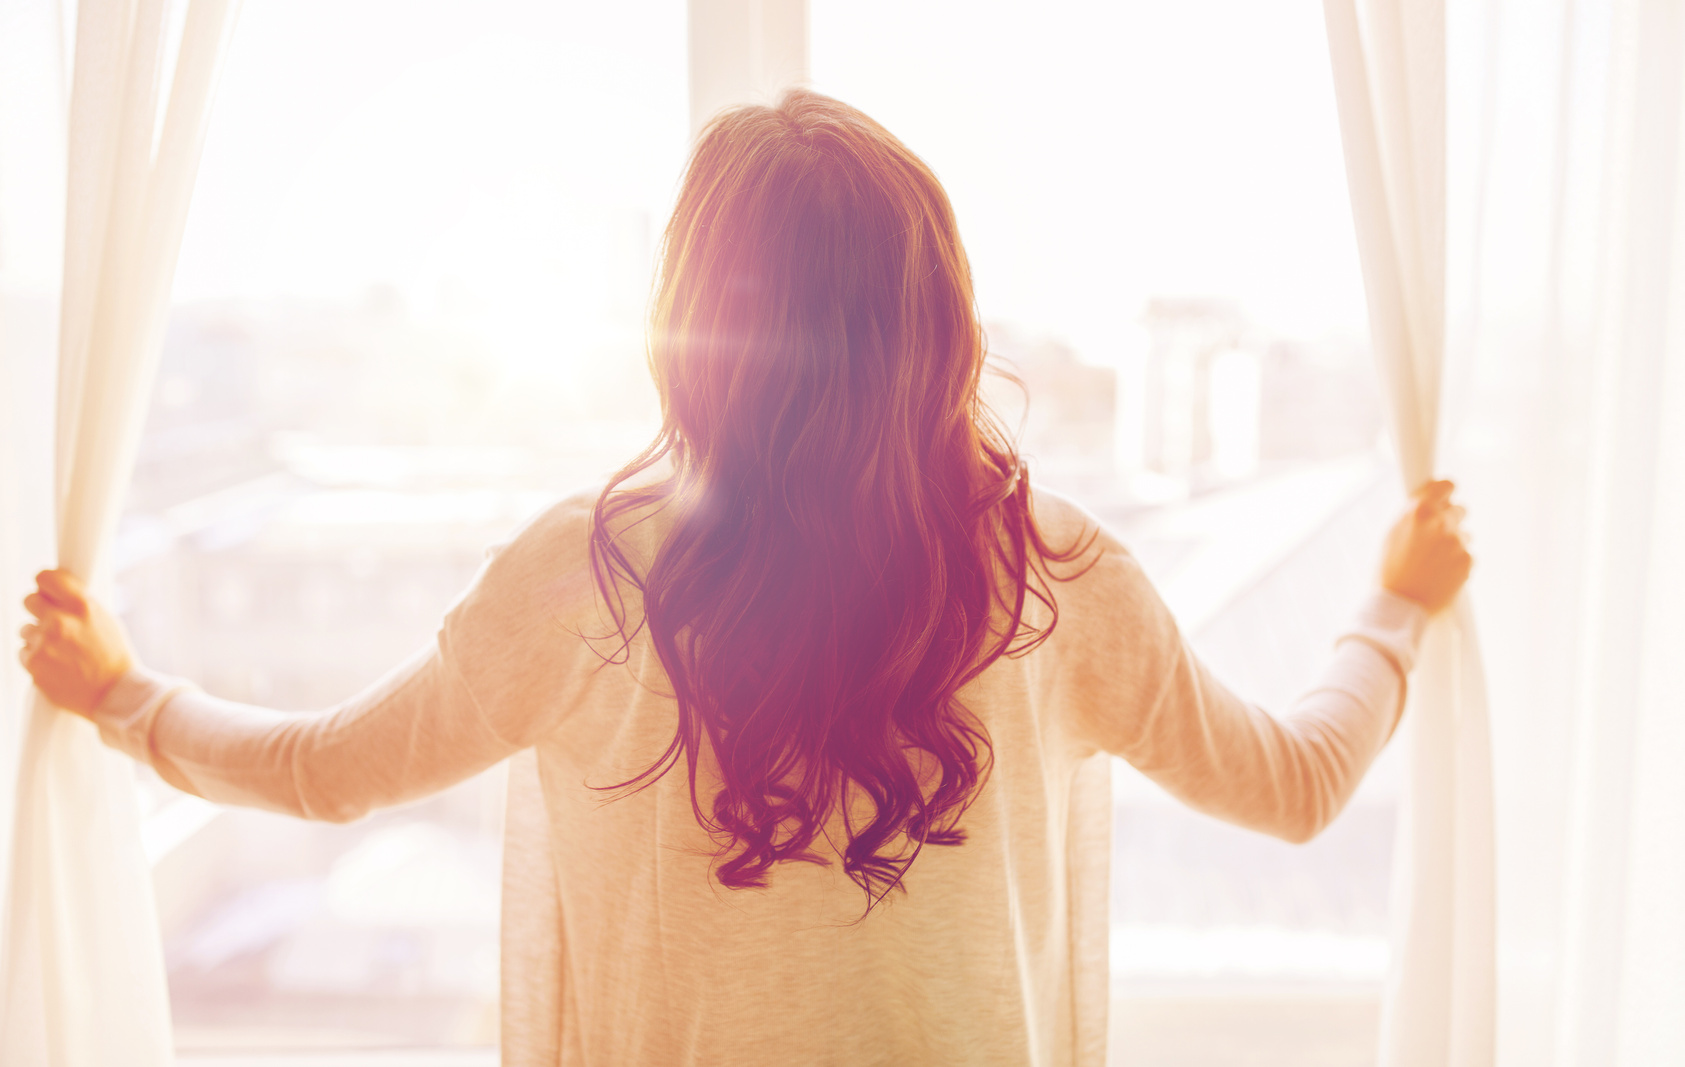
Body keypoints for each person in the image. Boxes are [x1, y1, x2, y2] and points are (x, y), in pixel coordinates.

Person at [18, 91, 1470, 1066]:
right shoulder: (1058, 579)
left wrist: (122, 696)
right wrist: (1394, 606)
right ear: (940, 319)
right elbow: (1295, 787)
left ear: (693, 323)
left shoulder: (586, 579)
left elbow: (328, 771)